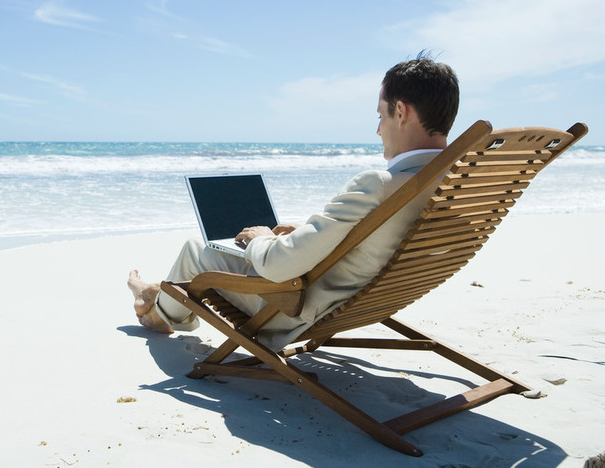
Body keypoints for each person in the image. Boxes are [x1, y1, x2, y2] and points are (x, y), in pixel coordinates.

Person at [129, 56, 460, 350]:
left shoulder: (379, 185)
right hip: (369, 299)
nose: (378, 130)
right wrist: (308, 234)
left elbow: (278, 267)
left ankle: (155, 312)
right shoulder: (456, 182)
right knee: (247, 246)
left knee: (197, 250)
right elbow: (378, 240)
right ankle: (154, 293)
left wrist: (263, 239)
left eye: (381, 116)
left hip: (298, 308)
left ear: (400, 111)